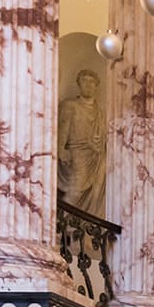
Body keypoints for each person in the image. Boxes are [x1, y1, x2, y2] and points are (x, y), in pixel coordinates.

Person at [57, 69, 107, 215]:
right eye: (84, 81)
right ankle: (62, 223)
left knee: (98, 191)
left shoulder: (100, 111)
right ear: (79, 84)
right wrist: (61, 150)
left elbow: (103, 135)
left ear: (96, 86)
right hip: (77, 153)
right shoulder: (70, 105)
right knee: (75, 191)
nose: (88, 85)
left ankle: (85, 223)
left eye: (92, 82)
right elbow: (62, 130)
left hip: (97, 155)